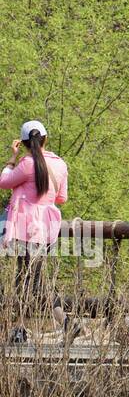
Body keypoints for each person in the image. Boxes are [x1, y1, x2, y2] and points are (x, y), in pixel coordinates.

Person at [0, 121, 78, 343]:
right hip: (46, 227)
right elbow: (62, 198)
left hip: (25, 227)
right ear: (46, 139)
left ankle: (55, 324)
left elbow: (4, 181)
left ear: (23, 143)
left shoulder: (25, 164)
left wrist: (12, 158)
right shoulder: (60, 164)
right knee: (31, 278)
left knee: (28, 279)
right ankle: (25, 327)